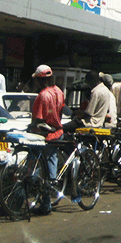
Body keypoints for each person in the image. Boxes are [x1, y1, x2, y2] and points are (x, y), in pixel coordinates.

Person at [29, 64, 65, 215]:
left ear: (40, 80)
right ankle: (47, 197)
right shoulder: (59, 91)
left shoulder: (42, 96)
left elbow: (38, 120)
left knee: (37, 167)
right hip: (58, 132)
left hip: (46, 136)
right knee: (51, 165)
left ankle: (45, 202)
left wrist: (30, 127)